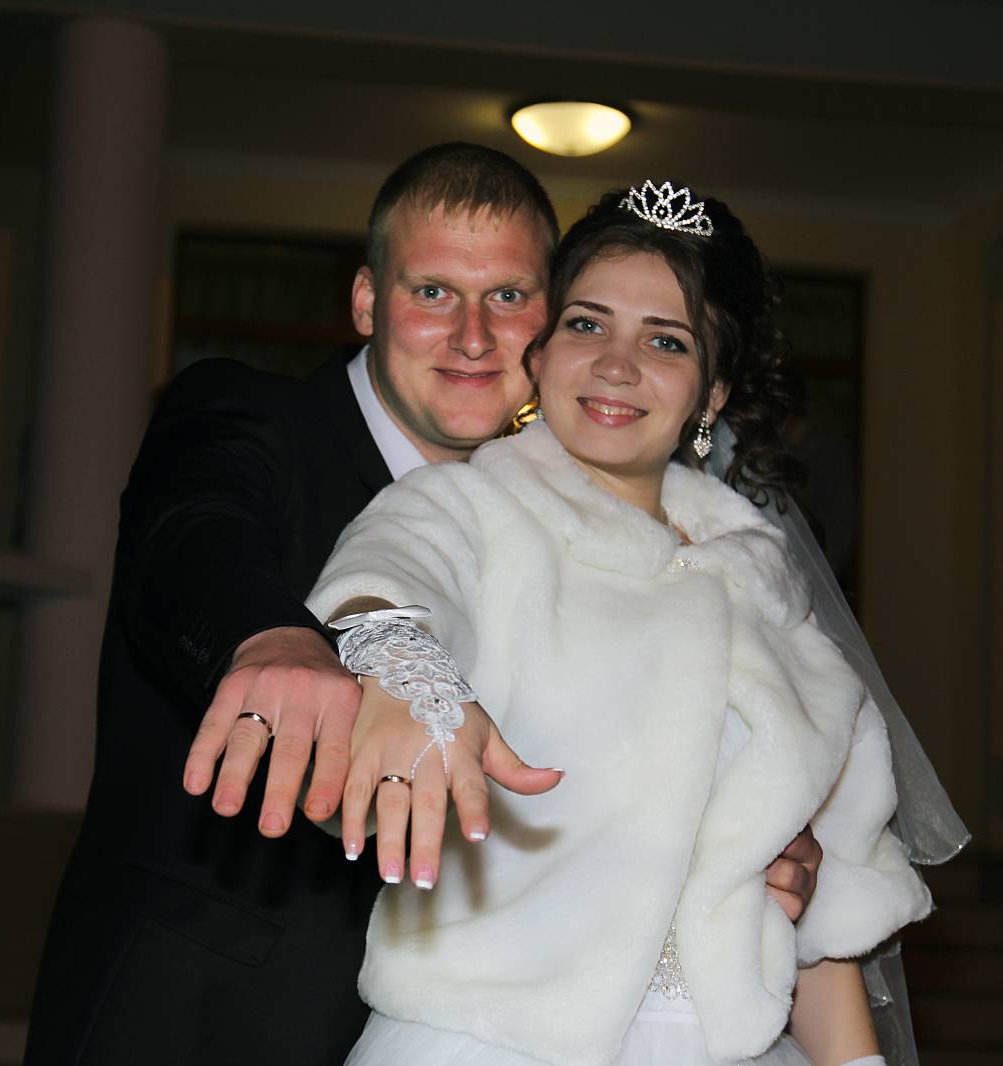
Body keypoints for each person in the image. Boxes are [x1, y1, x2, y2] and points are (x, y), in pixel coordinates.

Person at [24, 144, 827, 1066]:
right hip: (205, 1011)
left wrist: (751, 832)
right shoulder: (257, 418)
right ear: (368, 300)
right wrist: (273, 638)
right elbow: (193, 535)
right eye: (434, 292)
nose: (473, 337)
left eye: (509, 296)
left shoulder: (587, 523)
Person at [308, 181, 935, 1065]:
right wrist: (406, 672)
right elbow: (386, 578)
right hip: (489, 1041)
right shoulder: (468, 510)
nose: (616, 365)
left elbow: (826, 925)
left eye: (666, 341)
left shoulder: (773, 599)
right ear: (541, 353)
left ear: (711, 392)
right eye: (587, 324)